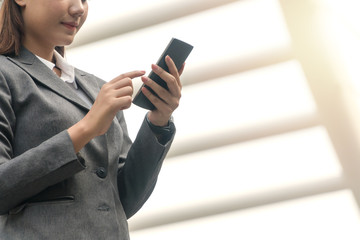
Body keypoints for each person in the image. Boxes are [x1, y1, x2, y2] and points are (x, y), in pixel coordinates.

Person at [0, 0, 184, 239]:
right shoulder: (6, 74)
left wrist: (159, 121)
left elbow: (124, 198)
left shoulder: (98, 89)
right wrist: (87, 127)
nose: (79, 9)